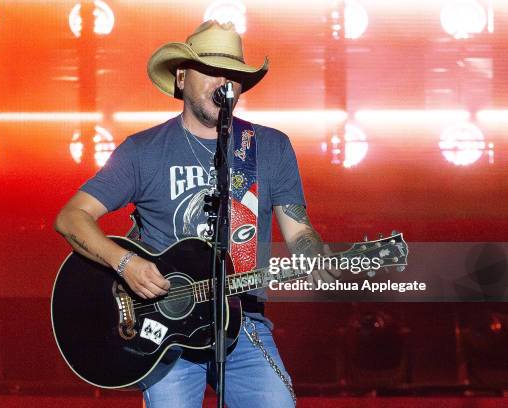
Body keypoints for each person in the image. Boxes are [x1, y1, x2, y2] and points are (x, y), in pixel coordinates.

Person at [54, 20, 338, 408]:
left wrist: (312, 250)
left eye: (233, 73)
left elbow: (299, 231)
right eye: (210, 69)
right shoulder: (143, 150)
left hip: (243, 321)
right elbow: (71, 218)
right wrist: (126, 264)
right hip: (162, 331)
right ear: (182, 77)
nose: (224, 81)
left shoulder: (269, 147)